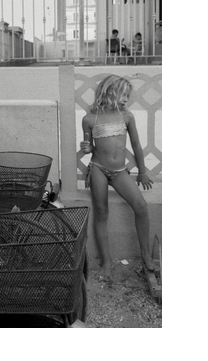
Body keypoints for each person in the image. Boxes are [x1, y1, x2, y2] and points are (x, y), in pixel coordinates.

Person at [79, 75, 155, 280]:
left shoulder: (126, 116)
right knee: (102, 212)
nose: (126, 99)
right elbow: (89, 147)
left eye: (128, 96)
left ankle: (145, 254)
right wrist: (86, 148)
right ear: (109, 92)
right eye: (123, 95)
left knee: (141, 206)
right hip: (98, 169)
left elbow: (136, 145)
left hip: (120, 171)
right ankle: (106, 261)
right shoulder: (89, 119)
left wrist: (142, 172)